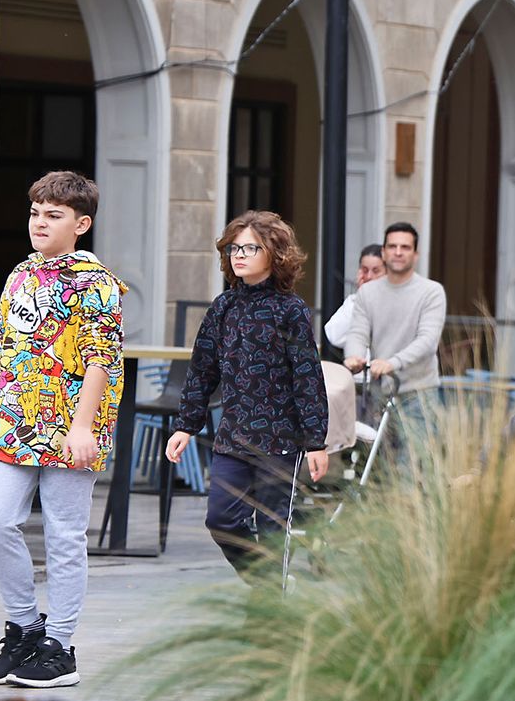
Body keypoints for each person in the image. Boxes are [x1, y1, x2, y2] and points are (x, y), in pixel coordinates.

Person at [0, 171, 125, 688]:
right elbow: (4, 353)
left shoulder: (97, 284)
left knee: (65, 537)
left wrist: (84, 427)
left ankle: (61, 647)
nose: (39, 223)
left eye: (54, 215)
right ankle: (25, 628)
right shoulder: (21, 276)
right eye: (35, 213)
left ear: (81, 223)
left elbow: (99, 361)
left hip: (73, 429)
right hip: (17, 425)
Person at [167, 211, 330, 576]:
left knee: (274, 532)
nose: (238, 255)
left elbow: (307, 377)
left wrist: (316, 441)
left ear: (275, 253)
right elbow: (202, 371)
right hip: (233, 439)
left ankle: (273, 614)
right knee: (221, 520)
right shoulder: (223, 308)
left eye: (250, 248)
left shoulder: (291, 311)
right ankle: (266, 588)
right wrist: (186, 425)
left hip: (281, 443)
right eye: (234, 248)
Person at [343, 223, 447, 447]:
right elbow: (358, 331)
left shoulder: (431, 292)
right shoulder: (368, 293)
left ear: (416, 254)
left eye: (405, 247)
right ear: (383, 252)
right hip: (380, 394)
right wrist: (354, 356)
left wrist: (392, 363)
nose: (398, 252)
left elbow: (428, 341)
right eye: (392, 246)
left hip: (419, 394)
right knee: (379, 468)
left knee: (411, 469)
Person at [323, 244, 385, 348]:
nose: (369, 277)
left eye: (376, 271)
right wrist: (361, 298)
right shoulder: (353, 301)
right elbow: (334, 336)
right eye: (365, 270)